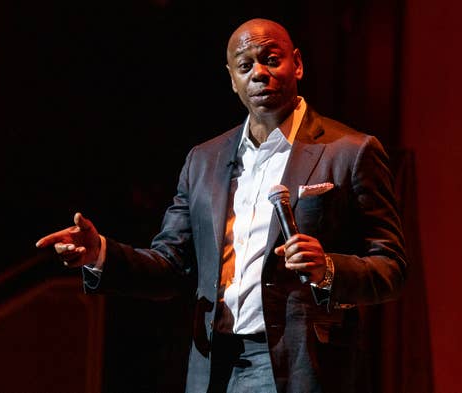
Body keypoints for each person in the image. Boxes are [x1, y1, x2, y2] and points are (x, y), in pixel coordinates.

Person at [36, 18, 406, 393]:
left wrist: (328, 268)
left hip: (301, 365)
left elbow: (391, 268)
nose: (259, 73)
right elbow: (170, 266)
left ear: (297, 63)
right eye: (245, 66)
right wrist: (99, 254)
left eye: (271, 59)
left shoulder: (350, 151)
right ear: (232, 80)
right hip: (215, 363)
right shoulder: (204, 160)